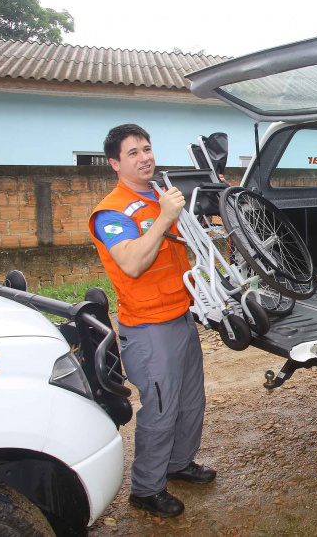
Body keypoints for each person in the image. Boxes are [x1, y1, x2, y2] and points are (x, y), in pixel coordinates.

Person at [88, 124, 215, 518]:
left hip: (180, 316)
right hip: (147, 328)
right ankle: (146, 488)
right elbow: (132, 262)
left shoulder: (163, 195)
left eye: (147, 148)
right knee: (160, 410)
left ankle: (178, 464)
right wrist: (163, 217)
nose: (145, 157)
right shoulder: (112, 211)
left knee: (191, 401)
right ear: (115, 163)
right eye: (132, 153)